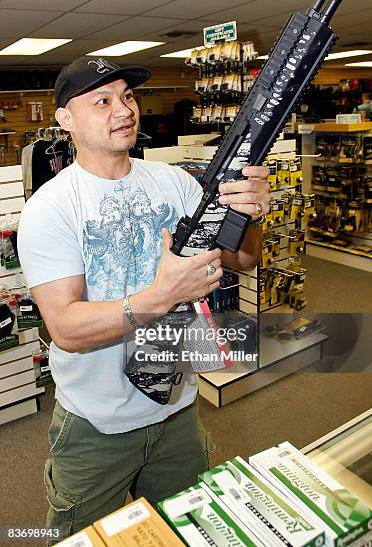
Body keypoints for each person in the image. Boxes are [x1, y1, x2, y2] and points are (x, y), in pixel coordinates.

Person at [17, 56, 271, 543]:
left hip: (177, 409)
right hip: (97, 425)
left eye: (128, 96)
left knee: (188, 533)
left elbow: (243, 260)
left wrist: (249, 212)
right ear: (65, 119)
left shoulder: (173, 182)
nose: (124, 109)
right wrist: (158, 297)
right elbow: (66, 329)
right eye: (103, 100)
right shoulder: (51, 208)